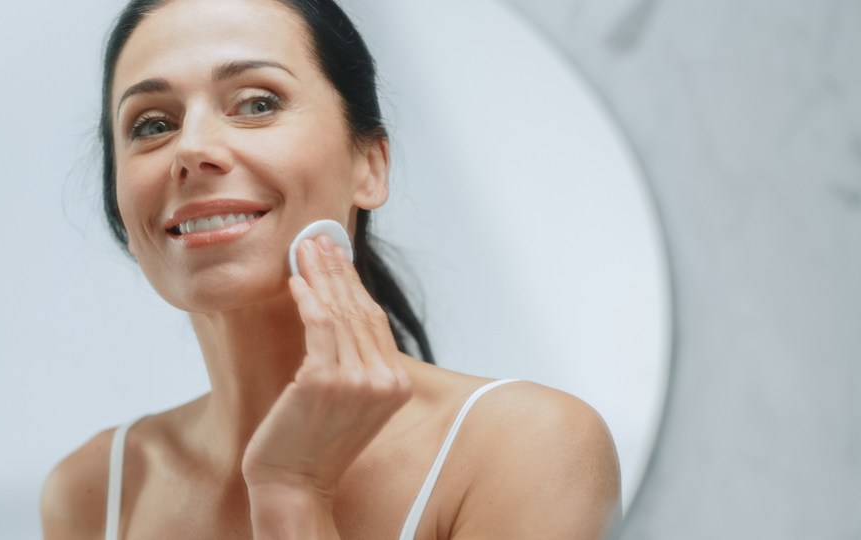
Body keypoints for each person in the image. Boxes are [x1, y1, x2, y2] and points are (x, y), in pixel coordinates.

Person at [40, 1, 621, 538]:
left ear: (370, 165)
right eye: (152, 125)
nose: (191, 148)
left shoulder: (529, 449)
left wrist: (292, 491)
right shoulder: (94, 492)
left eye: (258, 103)